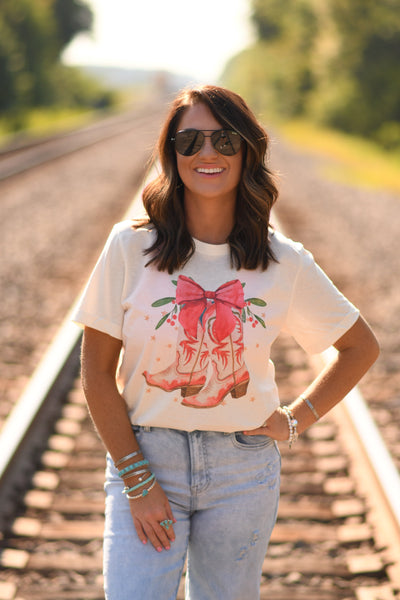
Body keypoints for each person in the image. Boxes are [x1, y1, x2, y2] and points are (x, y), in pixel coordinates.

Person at [72, 85, 379, 600]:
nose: (206, 153)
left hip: (244, 469)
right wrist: (138, 479)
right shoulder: (130, 248)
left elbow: (360, 347)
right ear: (173, 154)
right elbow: (97, 373)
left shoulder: (283, 261)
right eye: (188, 141)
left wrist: (296, 418)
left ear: (248, 151)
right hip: (148, 457)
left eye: (223, 140)